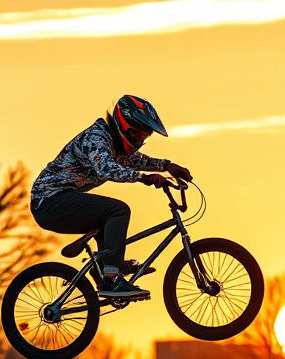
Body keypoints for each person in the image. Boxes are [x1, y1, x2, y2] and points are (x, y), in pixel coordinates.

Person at [30, 95, 192, 300]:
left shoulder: (113, 144)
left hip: (58, 201)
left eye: (144, 136)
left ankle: (104, 269)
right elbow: (106, 168)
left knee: (106, 219)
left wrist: (167, 166)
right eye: (137, 133)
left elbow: (133, 160)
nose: (140, 140)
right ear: (124, 126)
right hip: (49, 201)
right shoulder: (97, 138)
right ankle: (112, 278)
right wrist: (143, 178)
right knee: (117, 211)